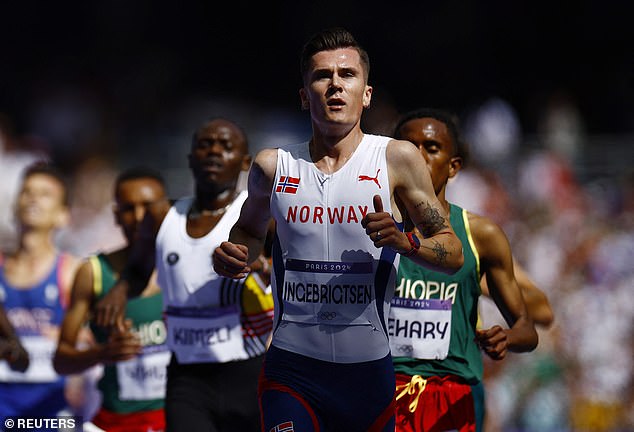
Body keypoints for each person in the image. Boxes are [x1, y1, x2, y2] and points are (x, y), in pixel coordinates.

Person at [212, 28, 464, 432]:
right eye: (321, 75)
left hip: (367, 379)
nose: (334, 85)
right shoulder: (272, 166)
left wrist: (406, 241)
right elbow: (247, 233)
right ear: (303, 95)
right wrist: (233, 254)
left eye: (347, 75)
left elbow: (452, 254)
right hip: (291, 373)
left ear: (366, 93)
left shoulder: (396, 158)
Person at [94, 118, 274, 432]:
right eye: (205, 145)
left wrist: (260, 267)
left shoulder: (259, 214)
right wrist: (119, 291)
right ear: (190, 158)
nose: (214, 151)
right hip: (187, 378)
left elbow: (282, 267)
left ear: (246, 162)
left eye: (226, 146)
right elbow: (137, 269)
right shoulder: (162, 215)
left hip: (249, 373)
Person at [389, 108, 544, 432]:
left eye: (431, 148)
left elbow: (527, 330)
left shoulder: (481, 236)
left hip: (452, 394)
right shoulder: (371, 224)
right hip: (383, 389)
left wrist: (508, 337)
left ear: (453, 165)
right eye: (408, 146)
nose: (418, 157)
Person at [54, 167, 172, 432]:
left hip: (177, 419)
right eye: (129, 208)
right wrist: (103, 353)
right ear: (117, 216)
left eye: (149, 207)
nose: (140, 217)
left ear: (167, 211)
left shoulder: (190, 266)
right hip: (114, 424)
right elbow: (61, 360)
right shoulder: (94, 272)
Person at [0, 161, 80, 423]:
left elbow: (100, 339)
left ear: (63, 215)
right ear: (15, 205)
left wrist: (73, 337)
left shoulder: (72, 272)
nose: (33, 199)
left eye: (45, 194)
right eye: (27, 191)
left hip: (52, 412)